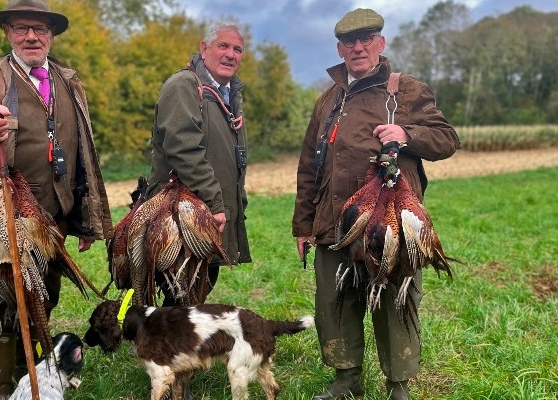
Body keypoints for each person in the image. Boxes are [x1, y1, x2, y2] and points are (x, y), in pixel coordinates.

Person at [0, 0, 113, 398]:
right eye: (22, 28)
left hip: (54, 218)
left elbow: (82, 153)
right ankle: (4, 391)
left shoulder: (69, 82)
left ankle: (30, 379)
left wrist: (86, 219)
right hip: (1, 217)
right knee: (2, 306)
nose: (31, 36)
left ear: (51, 35)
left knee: (44, 298)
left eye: (40, 29)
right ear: (7, 33)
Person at [292, 8, 460, 400]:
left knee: (394, 301)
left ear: (380, 43)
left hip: (389, 225)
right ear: (339, 48)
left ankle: (397, 384)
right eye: (350, 42)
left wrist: (407, 133)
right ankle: (346, 379)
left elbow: (447, 139)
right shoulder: (328, 100)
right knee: (334, 302)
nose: (358, 47)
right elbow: (308, 167)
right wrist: (303, 224)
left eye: (367, 38)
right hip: (333, 222)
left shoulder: (405, 90)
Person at [147, 22, 251, 306]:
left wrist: (236, 202)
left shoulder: (230, 94)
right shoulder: (184, 86)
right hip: (183, 211)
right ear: (204, 49)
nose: (231, 54)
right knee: (180, 289)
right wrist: (215, 202)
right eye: (223, 46)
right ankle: (169, 347)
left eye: (237, 49)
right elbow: (184, 149)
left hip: (209, 209)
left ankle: (177, 345)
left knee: (201, 283)